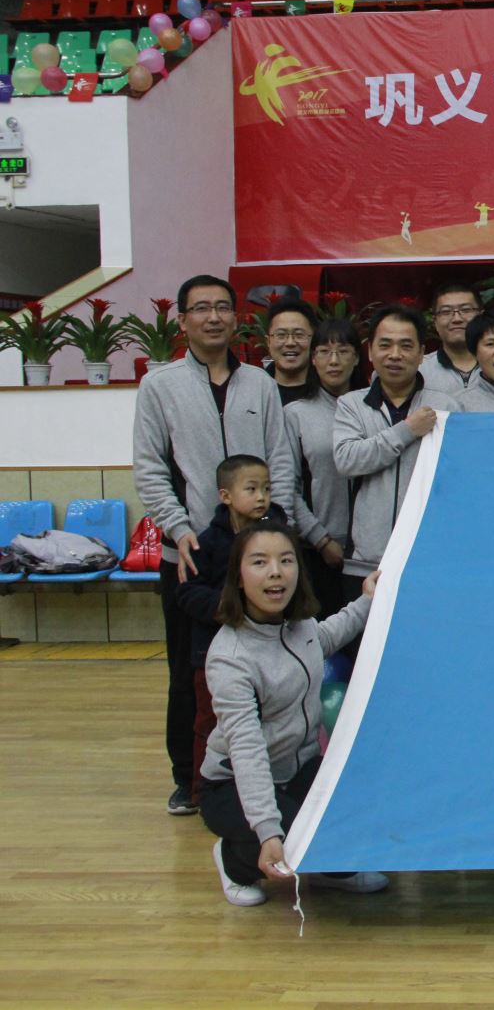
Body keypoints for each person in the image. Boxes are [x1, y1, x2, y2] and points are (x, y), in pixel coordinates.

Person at [132, 274, 295, 817]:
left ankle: (268, 771)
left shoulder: (260, 384)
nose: (214, 317)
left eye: (223, 307)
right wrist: (179, 529)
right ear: (183, 320)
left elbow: (280, 460)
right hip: (192, 556)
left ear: (235, 318)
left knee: (267, 667)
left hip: (259, 555)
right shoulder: (159, 386)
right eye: (201, 308)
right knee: (191, 671)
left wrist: (276, 529)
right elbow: (150, 467)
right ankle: (188, 777)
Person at [199, 519, 388, 904]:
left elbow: (326, 637)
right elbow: (247, 751)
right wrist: (268, 830)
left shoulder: (298, 626)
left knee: (357, 816)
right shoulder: (229, 658)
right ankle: (234, 861)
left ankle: (330, 870)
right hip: (232, 783)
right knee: (296, 836)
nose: (275, 571)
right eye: (260, 562)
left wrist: (368, 600)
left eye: (286, 560)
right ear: (238, 577)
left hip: (297, 768)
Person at [174, 455, 288, 807]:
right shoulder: (206, 543)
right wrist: (231, 608)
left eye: (266, 489)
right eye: (251, 489)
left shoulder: (277, 538)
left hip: (267, 652)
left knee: (262, 724)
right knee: (210, 725)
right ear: (225, 496)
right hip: (212, 652)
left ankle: (266, 785)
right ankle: (202, 792)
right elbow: (187, 593)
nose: (261, 497)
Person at [333, 304, 460, 601]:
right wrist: (407, 430)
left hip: (427, 557)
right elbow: (347, 460)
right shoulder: (351, 405)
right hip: (366, 559)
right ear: (370, 352)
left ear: (421, 353)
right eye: (385, 345)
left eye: (406, 346)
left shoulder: (445, 407)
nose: (394, 354)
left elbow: (456, 479)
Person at [285, 317, 363, 617]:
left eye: (343, 351)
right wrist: (321, 539)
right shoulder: (295, 414)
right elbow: (287, 486)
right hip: (317, 549)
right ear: (313, 358)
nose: (334, 361)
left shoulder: (373, 408)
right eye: (324, 352)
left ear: (357, 357)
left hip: (371, 550)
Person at [419, 281, 481, 394]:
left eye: (465, 310)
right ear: (435, 322)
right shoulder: (419, 369)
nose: (457, 319)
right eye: (446, 311)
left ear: (481, 316)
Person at [262, 298, 318, 406]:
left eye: (299, 335)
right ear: (268, 342)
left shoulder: (329, 389)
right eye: (281, 335)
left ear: (314, 340)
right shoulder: (255, 389)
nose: (290, 343)